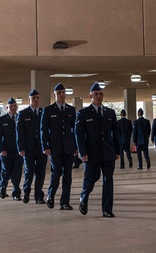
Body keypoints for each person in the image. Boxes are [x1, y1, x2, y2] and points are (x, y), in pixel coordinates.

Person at [75, 83, 120, 217]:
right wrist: (83, 153)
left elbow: (116, 133)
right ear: (90, 96)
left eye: (100, 94)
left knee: (108, 180)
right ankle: (84, 197)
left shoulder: (110, 113)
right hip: (91, 153)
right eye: (96, 94)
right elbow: (79, 135)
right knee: (91, 179)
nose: (99, 97)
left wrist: (117, 151)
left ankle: (107, 210)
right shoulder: (83, 113)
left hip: (108, 152)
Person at [41, 83, 77, 210]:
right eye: (59, 93)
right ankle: (50, 196)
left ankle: (65, 202)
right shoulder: (48, 110)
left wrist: (76, 147)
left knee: (68, 175)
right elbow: (44, 130)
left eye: (63, 92)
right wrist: (45, 145)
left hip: (68, 147)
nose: (62, 95)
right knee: (56, 173)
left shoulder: (71, 110)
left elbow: (75, 130)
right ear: (54, 95)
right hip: (55, 148)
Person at [17, 89, 47, 204]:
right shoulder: (23, 114)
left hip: (41, 148)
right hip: (28, 149)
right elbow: (20, 133)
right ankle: (26, 192)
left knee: (40, 172)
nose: (36, 100)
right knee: (29, 172)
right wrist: (21, 148)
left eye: (37, 98)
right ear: (29, 100)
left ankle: (39, 196)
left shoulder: (44, 112)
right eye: (33, 98)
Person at [0, 98, 21, 200]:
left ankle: (16, 194)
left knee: (17, 173)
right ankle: (2, 189)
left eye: (14, 106)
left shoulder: (20, 118)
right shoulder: (2, 120)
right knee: (5, 172)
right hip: (6, 151)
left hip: (18, 151)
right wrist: (1, 150)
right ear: (7, 108)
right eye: (11, 106)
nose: (13, 108)